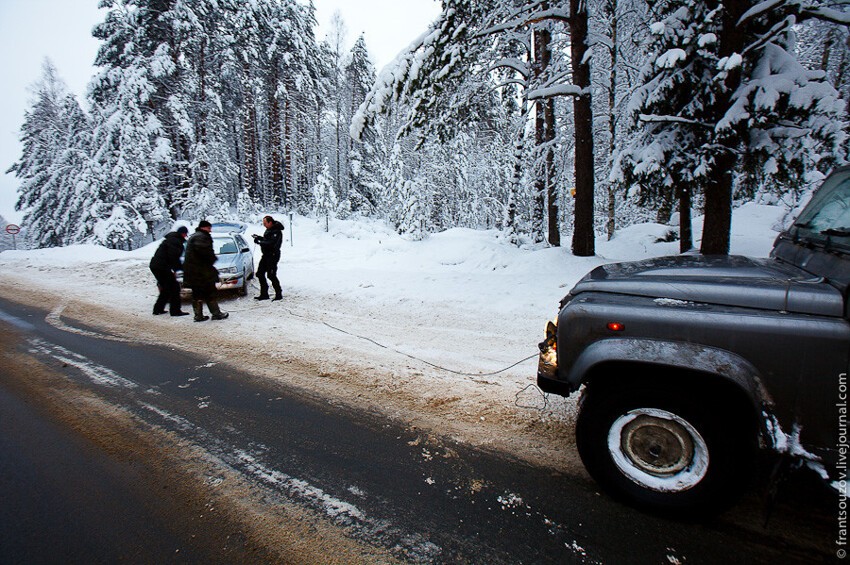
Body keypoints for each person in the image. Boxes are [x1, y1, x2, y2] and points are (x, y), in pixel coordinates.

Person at [183, 220, 229, 322]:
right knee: (210, 292)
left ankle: (198, 315)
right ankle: (216, 313)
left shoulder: (195, 236)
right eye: (209, 228)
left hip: (194, 271)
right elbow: (204, 253)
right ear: (204, 227)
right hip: (201, 272)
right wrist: (212, 259)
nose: (210, 230)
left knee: (197, 294)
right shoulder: (202, 237)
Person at [149, 225, 190, 316]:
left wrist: (176, 268)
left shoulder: (171, 239)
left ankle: (158, 309)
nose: (186, 236)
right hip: (161, 267)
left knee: (166, 288)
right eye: (185, 234)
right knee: (174, 288)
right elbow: (173, 258)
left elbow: (171, 258)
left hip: (157, 266)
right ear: (183, 234)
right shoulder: (175, 241)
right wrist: (179, 268)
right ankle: (175, 311)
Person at [252, 215, 284, 301]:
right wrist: (259, 238)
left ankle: (278, 294)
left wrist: (260, 242)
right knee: (259, 273)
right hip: (266, 255)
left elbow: (271, 243)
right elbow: (267, 240)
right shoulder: (269, 230)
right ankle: (264, 294)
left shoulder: (276, 231)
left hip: (272, 255)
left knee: (271, 275)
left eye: (265, 223)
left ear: (270, 222)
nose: (264, 225)